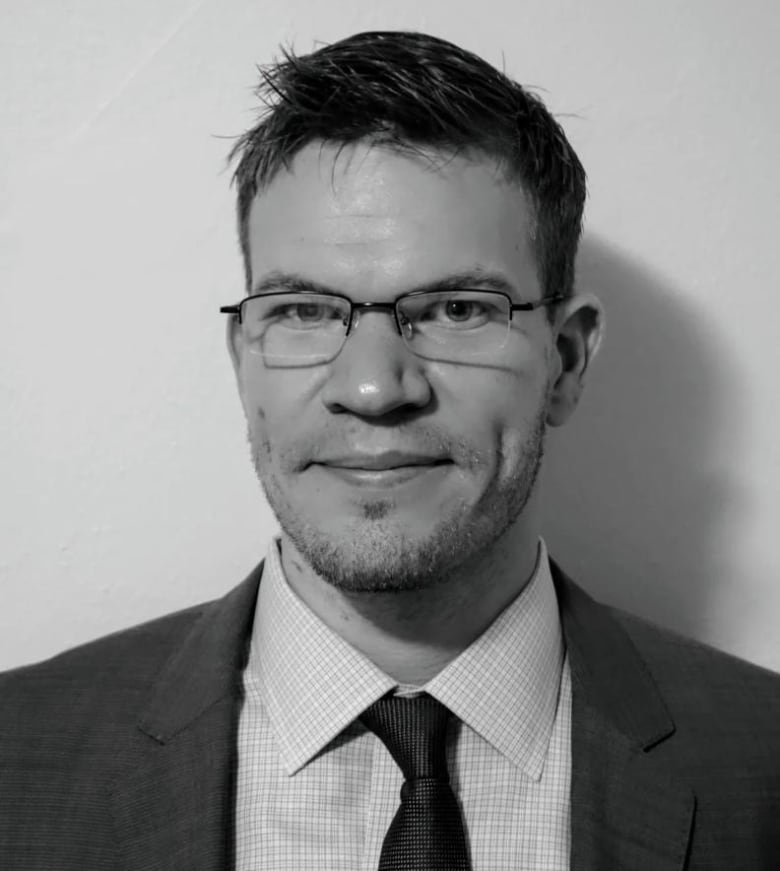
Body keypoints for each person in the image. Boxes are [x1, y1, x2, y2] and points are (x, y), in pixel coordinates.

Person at [1, 29, 779, 871]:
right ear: (243, 359)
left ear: (566, 359)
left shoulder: (760, 762)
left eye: (456, 309)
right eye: (302, 312)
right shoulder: (18, 758)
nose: (374, 388)